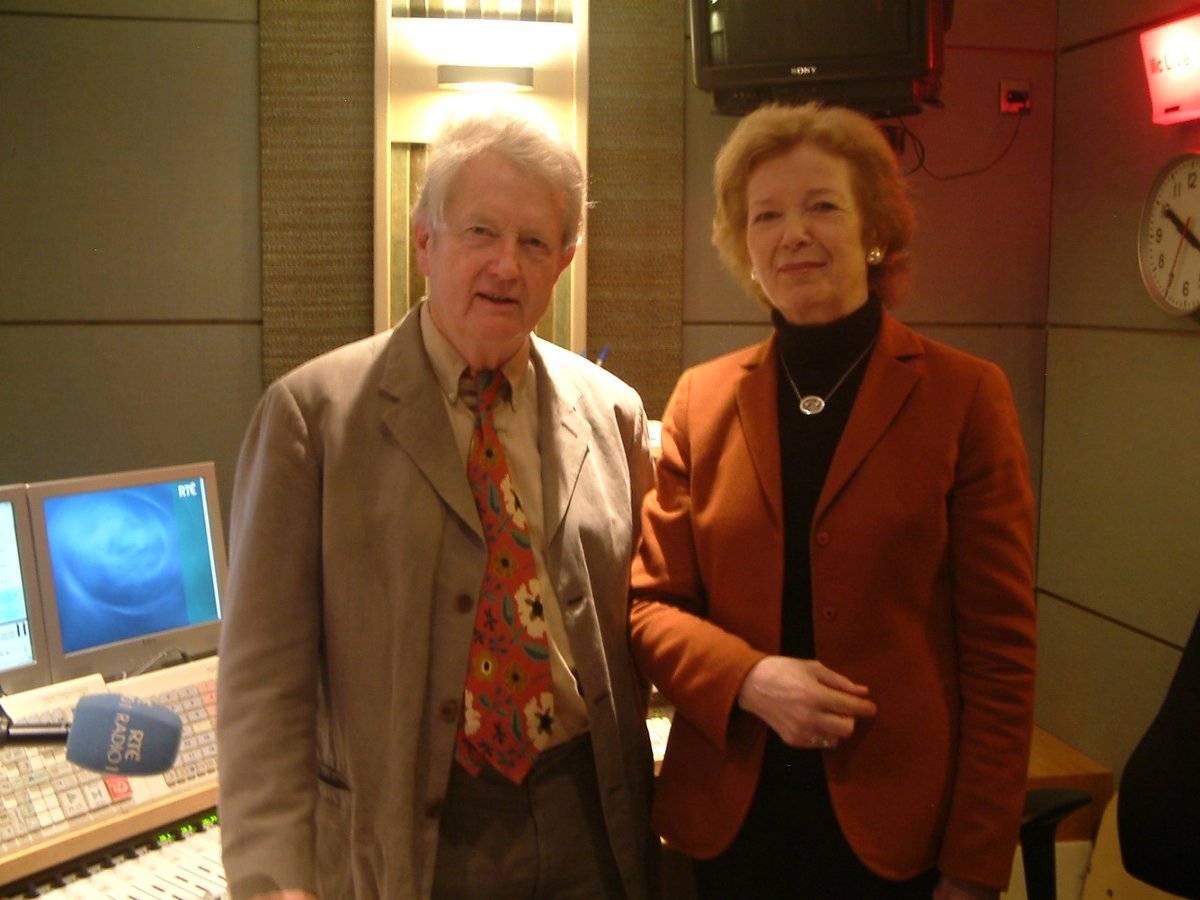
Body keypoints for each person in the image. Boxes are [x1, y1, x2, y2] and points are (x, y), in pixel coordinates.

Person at [217, 108, 659, 900]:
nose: (506, 266)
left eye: (533, 242)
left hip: (589, 820)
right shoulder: (309, 418)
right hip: (407, 838)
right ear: (425, 242)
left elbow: (649, 623)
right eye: (480, 232)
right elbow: (261, 685)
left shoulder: (615, 413)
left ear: (563, 261)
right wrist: (271, 877)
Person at [630, 102, 1037, 900]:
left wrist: (976, 866)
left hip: (900, 837)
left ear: (875, 230)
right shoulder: (700, 401)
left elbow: (1001, 657)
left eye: (823, 206)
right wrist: (749, 679)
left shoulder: (965, 397)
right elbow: (652, 608)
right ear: (744, 246)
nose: (794, 234)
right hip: (733, 826)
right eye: (767, 215)